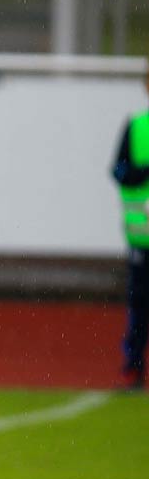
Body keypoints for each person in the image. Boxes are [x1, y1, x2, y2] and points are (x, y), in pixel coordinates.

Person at [112, 102, 149, 390]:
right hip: (142, 235)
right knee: (140, 305)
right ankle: (133, 367)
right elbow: (119, 170)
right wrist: (142, 172)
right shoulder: (137, 127)